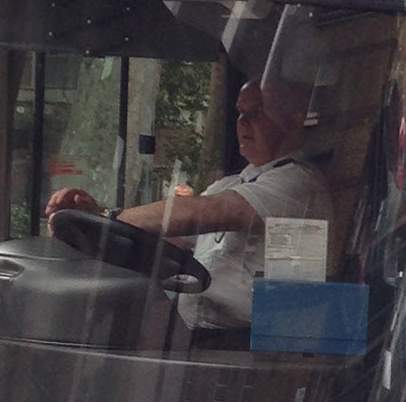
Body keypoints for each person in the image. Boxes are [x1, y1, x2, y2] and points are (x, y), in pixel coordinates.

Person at [45, 80, 331, 341]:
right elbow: (173, 240)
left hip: (254, 343)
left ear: (294, 121)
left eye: (256, 113)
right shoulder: (233, 182)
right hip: (197, 336)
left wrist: (107, 218)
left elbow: (200, 214)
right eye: (240, 113)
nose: (242, 122)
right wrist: (96, 217)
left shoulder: (298, 182)